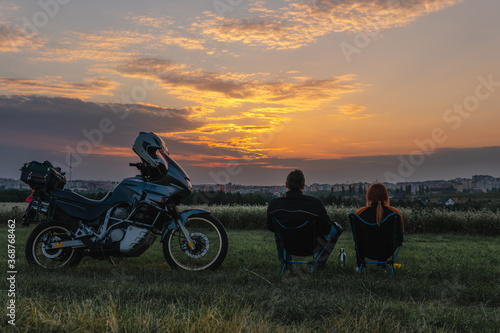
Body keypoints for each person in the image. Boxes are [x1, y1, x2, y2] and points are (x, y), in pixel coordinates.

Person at [267, 169, 342, 266]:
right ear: (303, 186)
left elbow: (271, 227)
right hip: (311, 246)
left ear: (286, 185)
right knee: (336, 229)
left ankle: (286, 263)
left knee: (278, 231)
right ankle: (320, 263)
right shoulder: (315, 203)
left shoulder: (275, 204)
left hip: (288, 245)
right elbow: (327, 229)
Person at [354, 182, 404, 267]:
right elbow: (400, 237)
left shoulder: (359, 213)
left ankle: (360, 266)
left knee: (359, 242)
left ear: (369, 196)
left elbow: (357, 237)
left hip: (366, 250)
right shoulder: (394, 213)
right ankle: (382, 265)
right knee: (385, 239)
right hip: (387, 251)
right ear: (386, 196)